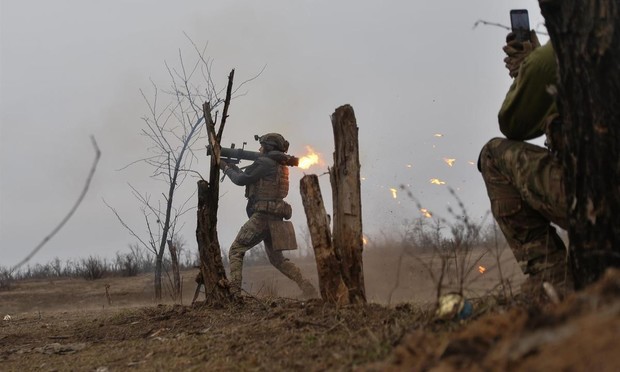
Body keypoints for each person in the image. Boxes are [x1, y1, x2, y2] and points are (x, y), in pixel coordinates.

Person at [478, 31, 573, 299]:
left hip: (593, 195)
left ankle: (553, 281)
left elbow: (514, 122)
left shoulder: (561, 50)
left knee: (493, 155)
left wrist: (527, 71)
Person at [219, 133, 317, 298]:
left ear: (268, 147)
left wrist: (225, 168)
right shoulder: (280, 165)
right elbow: (249, 176)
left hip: (262, 217)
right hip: (276, 217)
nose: (259, 148)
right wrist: (231, 167)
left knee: (236, 250)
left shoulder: (265, 162)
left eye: (262, 145)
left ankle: (234, 294)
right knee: (277, 260)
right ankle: (307, 287)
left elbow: (241, 180)